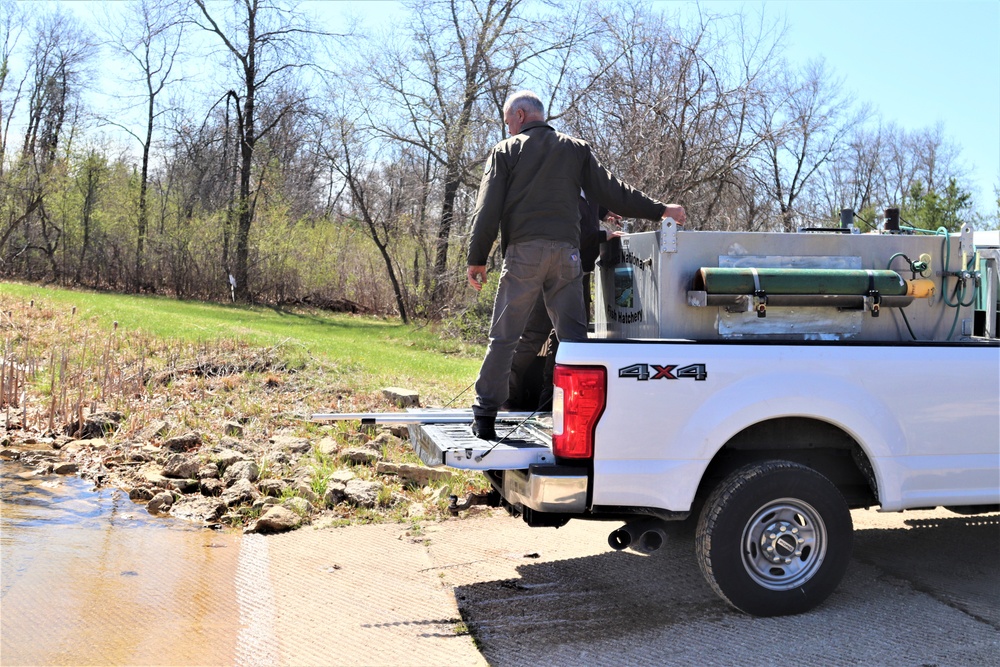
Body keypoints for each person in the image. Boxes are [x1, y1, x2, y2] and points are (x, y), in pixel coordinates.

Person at [467, 89, 686, 440]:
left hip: (524, 254)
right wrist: (661, 210)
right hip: (567, 257)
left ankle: (485, 416)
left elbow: (487, 207)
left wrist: (477, 257)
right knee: (574, 340)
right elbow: (615, 191)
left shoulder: (506, 151)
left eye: (508, 120)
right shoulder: (575, 149)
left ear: (521, 116)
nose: (507, 127)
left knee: (505, 336)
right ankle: (583, 419)